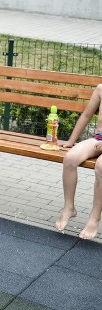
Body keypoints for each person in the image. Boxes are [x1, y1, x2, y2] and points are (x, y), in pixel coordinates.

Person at [56, 83, 102, 239]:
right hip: (99, 139)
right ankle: (69, 208)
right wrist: (71, 141)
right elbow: (86, 115)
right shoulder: (101, 89)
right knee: (70, 158)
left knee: (101, 166)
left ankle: (94, 218)